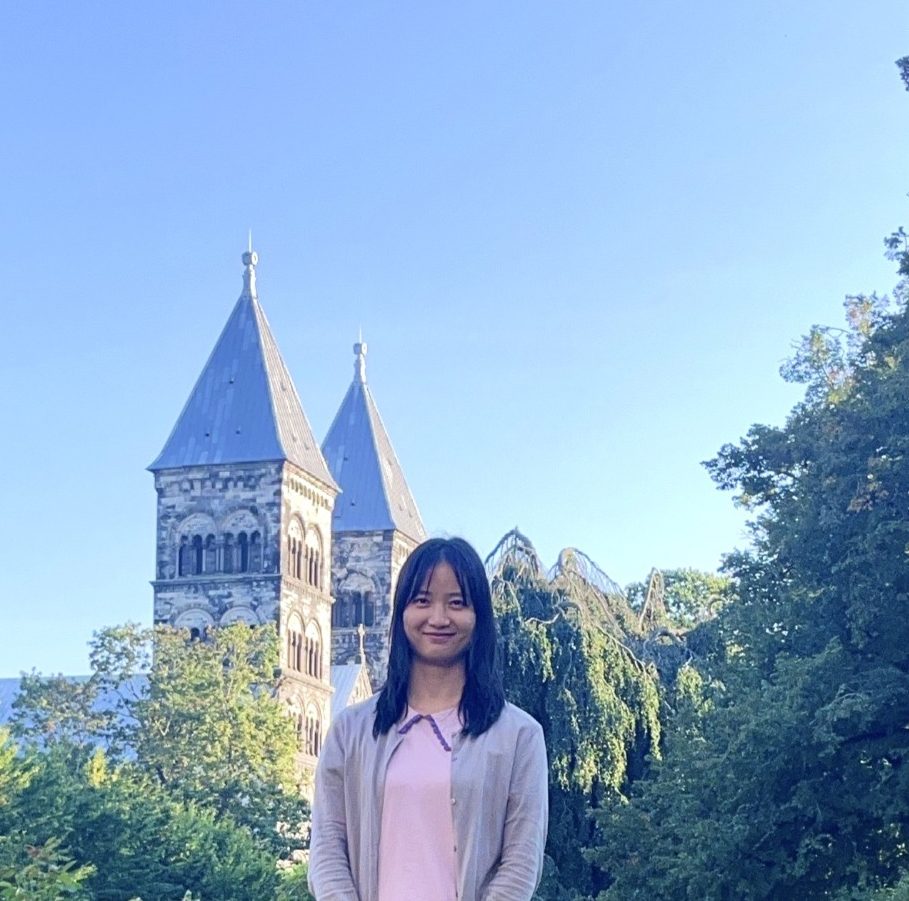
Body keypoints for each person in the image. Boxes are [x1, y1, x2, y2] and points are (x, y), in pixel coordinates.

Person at [309, 537, 549, 901]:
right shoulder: (350, 730)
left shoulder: (518, 736)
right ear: (401, 611)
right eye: (422, 600)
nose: (438, 618)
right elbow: (327, 849)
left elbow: (520, 863)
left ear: (479, 617)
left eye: (457, 603)